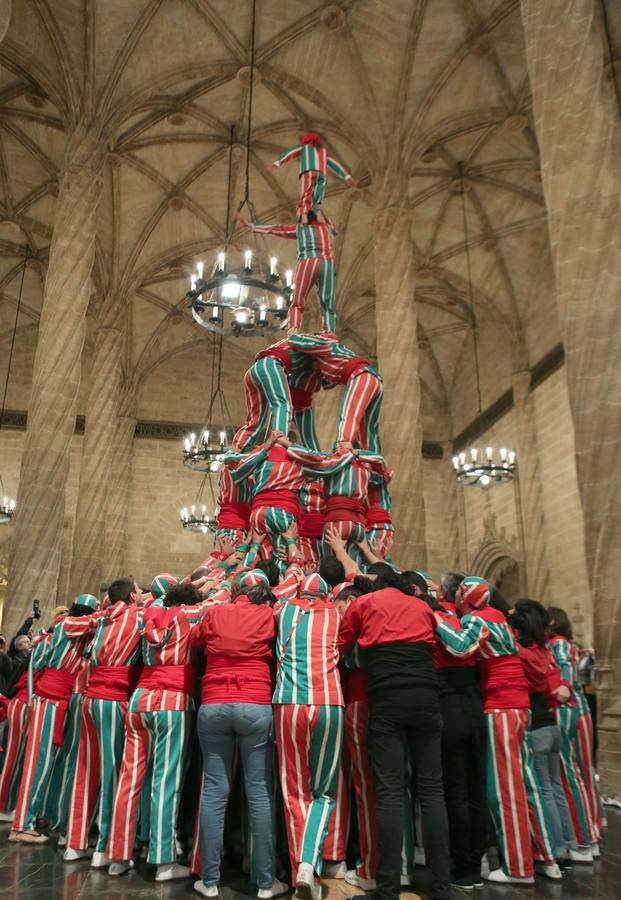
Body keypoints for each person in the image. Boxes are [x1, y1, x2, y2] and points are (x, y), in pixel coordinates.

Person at [434, 576, 560, 885]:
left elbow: (461, 647)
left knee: (503, 790)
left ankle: (518, 868)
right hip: (521, 705)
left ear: (465, 599)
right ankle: (546, 857)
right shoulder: (500, 617)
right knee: (527, 783)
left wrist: (433, 616)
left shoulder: (478, 619)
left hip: (501, 704)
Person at [339, 570, 451, 900]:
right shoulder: (421, 606)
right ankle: (441, 887)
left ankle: (387, 890)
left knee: (388, 792)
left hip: (387, 697)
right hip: (427, 695)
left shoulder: (365, 602)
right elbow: (436, 647)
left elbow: (343, 644)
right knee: (432, 791)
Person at [191, 569, 288, 900]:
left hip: (214, 704)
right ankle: (265, 883)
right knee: (259, 793)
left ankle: (210, 880)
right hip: (255, 704)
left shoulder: (216, 611)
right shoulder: (267, 615)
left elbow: (194, 639)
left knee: (215, 792)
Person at [107, 582, 211, 881]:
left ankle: (119, 856)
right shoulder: (193, 613)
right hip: (172, 700)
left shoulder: (148, 612)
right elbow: (216, 602)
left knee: (129, 779)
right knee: (166, 780)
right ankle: (164, 860)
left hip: (139, 700)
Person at [63, 578, 148, 868]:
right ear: (131, 597)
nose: (142, 594)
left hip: (89, 699)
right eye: (139, 590)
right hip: (113, 699)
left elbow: (69, 626)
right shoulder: (137, 615)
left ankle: (75, 843)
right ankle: (105, 846)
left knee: (85, 770)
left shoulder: (103, 618)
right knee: (114, 773)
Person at [273, 572, 344, 900]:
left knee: (294, 793)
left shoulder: (284, 609)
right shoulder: (336, 612)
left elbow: (276, 591)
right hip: (329, 703)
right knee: (324, 792)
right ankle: (308, 865)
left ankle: (301, 870)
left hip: (289, 703)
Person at [11, 595, 98, 843]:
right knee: (37, 762)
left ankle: (36, 817)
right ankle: (21, 825)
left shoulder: (75, 634)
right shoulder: (66, 624)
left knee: (49, 764)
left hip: (59, 701)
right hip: (48, 700)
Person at [509, 600, 580, 866]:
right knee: (556, 787)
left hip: (537, 727)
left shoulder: (523, 653)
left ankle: (557, 850)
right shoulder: (542, 650)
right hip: (551, 725)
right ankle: (570, 844)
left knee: (544, 791)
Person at [433, 573, 488, 892]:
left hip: (449, 703)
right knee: (476, 786)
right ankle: (476, 863)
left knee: (455, 789)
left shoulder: (438, 617)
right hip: (474, 702)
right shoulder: (473, 620)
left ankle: (463, 867)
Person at [547, 606, 598, 860]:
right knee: (577, 773)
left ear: (553, 621)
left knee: (570, 774)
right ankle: (590, 833)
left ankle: (583, 839)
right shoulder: (563, 643)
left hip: (566, 708)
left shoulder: (559, 643)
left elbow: (565, 669)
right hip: (574, 708)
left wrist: (564, 687)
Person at [240, 211, 338, 335]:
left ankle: (294, 328)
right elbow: (333, 227)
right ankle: (329, 331)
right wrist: (320, 211)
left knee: (298, 300)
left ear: (304, 219)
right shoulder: (327, 228)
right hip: (327, 265)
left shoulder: (301, 229)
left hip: (308, 263)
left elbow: (276, 229)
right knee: (328, 303)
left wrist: (251, 226)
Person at [267, 131, 356, 222]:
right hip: (321, 174)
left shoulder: (304, 147)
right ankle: (317, 214)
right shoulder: (323, 151)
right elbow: (335, 164)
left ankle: (305, 216)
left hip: (308, 172)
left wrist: (277, 163)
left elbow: (290, 153)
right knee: (318, 197)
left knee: (306, 194)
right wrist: (347, 176)